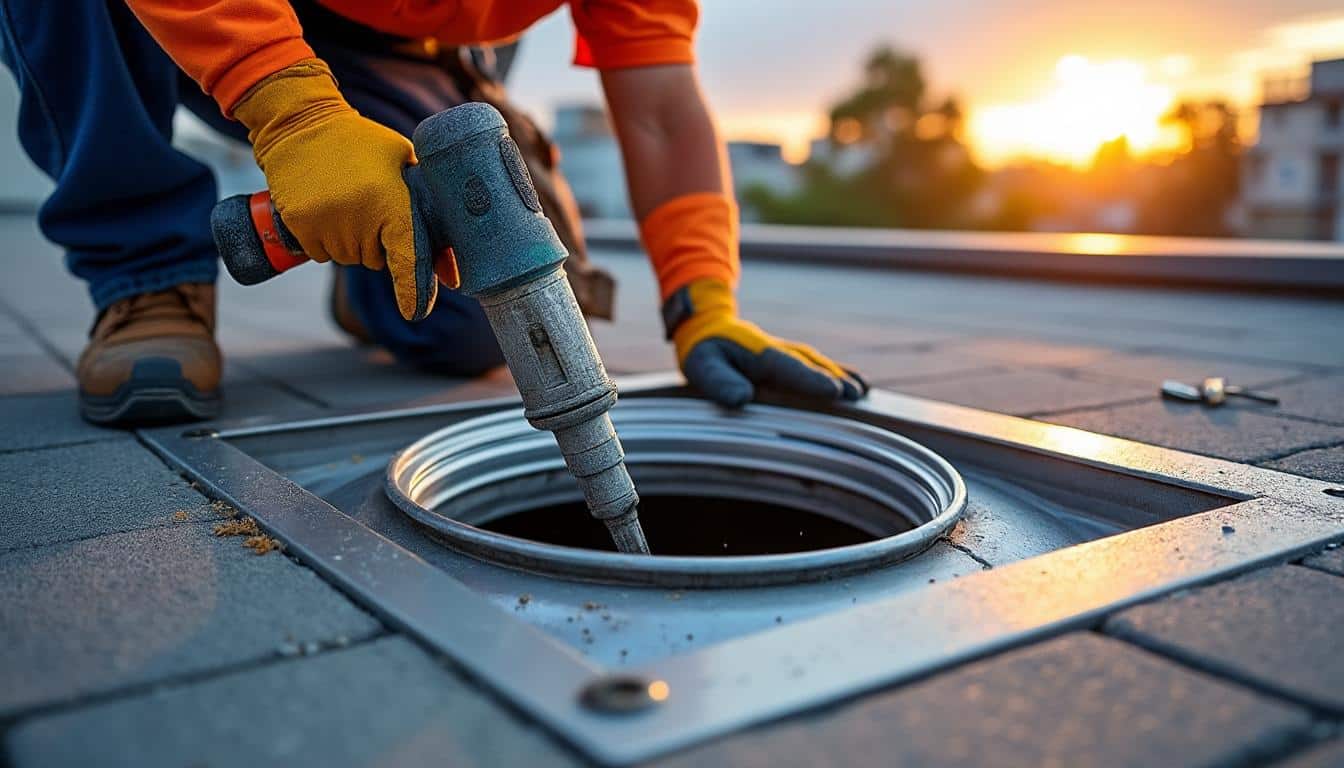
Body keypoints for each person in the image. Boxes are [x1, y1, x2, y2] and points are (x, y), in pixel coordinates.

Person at [0, 0, 865, 426]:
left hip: (407, 39)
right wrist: (293, 111)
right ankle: (147, 277)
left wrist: (703, 303)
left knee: (481, 325)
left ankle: (368, 273)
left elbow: (662, 108)